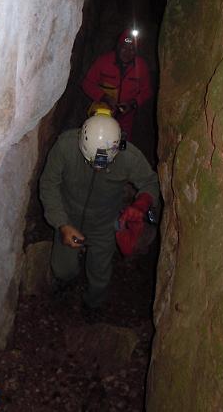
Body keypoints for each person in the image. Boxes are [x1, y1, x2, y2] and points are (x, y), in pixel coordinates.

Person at [39, 109, 159, 317]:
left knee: (100, 274)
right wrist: (62, 224)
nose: (98, 168)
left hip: (104, 222)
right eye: (92, 162)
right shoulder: (66, 147)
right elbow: (49, 185)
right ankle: (67, 283)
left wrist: (140, 205)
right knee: (62, 269)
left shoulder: (128, 156)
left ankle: (93, 304)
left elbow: (150, 182)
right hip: (69, 216)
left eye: (103, 163)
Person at [81, 28, 152, 141]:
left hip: (126, 116)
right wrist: (105, 97)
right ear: (118, 47)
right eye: (124, 47)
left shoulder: (141, 67)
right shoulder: (104, 61)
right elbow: (87, 84)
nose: (127, 52)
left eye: (132, 49)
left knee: (120, 145)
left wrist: (132, 104)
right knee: (97, 141)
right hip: (102, 112)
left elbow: (147, 91)